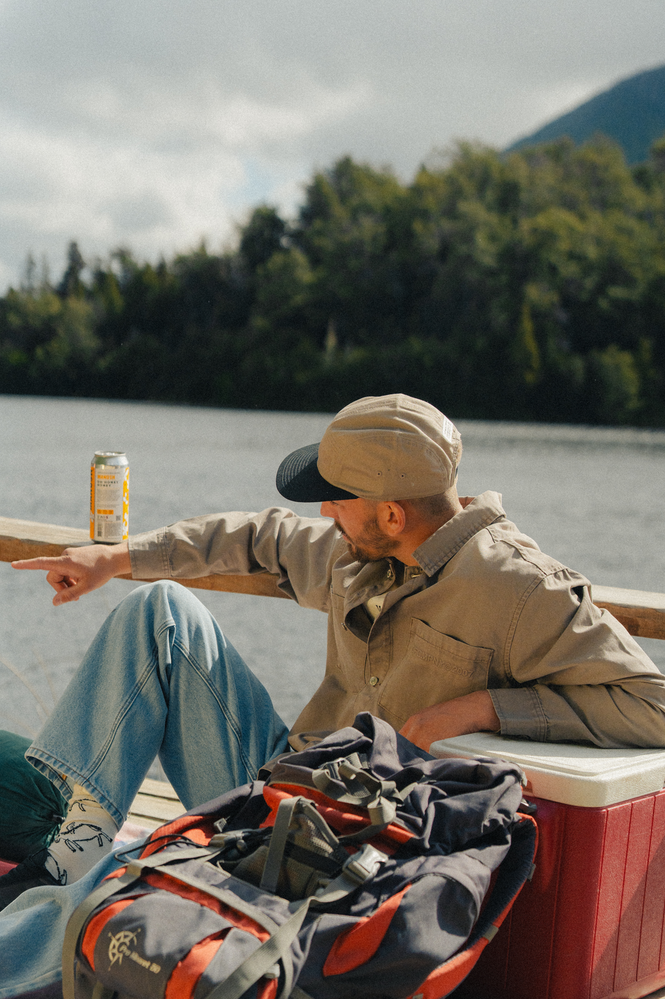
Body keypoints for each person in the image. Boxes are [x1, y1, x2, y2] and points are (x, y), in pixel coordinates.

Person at [2, 393, 665, 924]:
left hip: (360, 845)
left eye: (337, 498)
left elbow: (652, 705)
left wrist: (485, 708)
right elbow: (259, 536)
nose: (324, 510)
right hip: (276, 787)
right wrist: (116, 558)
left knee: (105, 902)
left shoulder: (518, 589)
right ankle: (73, 851)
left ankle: (75, 895)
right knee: (161, 610)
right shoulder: (361, 550)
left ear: (393, 514)